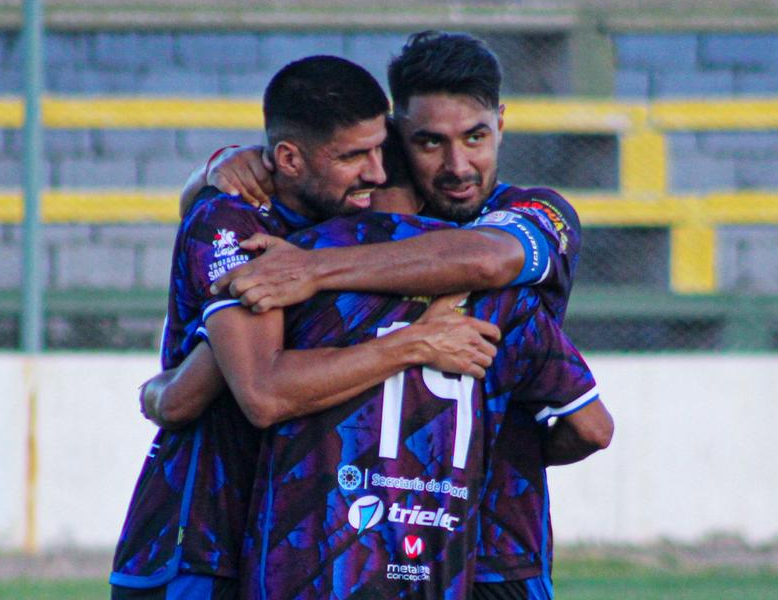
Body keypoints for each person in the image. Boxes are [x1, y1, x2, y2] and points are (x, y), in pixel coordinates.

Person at [191, 31, 599, 598]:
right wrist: (213, 169)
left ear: (502, 122)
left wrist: (317, 269)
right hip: (376, 543)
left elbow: (485, 260)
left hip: (497, 546)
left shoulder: (533, 211)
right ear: (395, 140)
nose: (459, 165)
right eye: (431, 143)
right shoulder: (347, 220)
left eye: (476, 137)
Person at [110, 56, 499, 600]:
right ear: (289, 158)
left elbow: (183, 393)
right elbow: (263, 394)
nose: (377, 174)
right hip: (194, 542)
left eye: (379, 152)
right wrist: (415, 343)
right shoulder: (236, 225)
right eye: (353, 156)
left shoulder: (332, 228)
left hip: (285, 544)